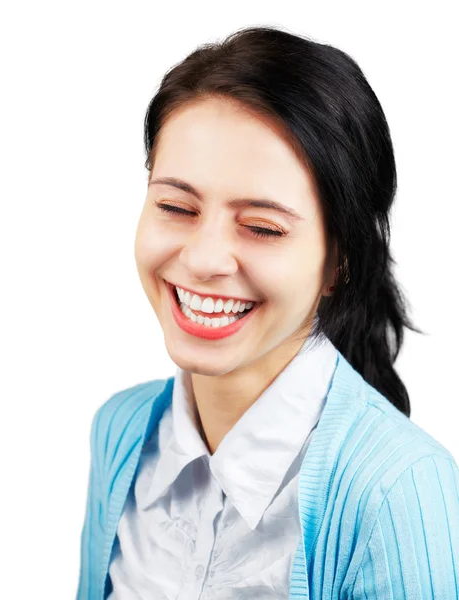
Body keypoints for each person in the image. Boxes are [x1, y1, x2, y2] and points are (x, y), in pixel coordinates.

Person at [76, 25, 459, 600]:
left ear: (339, 262)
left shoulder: (398, 490)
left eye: (261, 227)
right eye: (176, 206)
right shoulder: (120, 431)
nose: (203, 259)